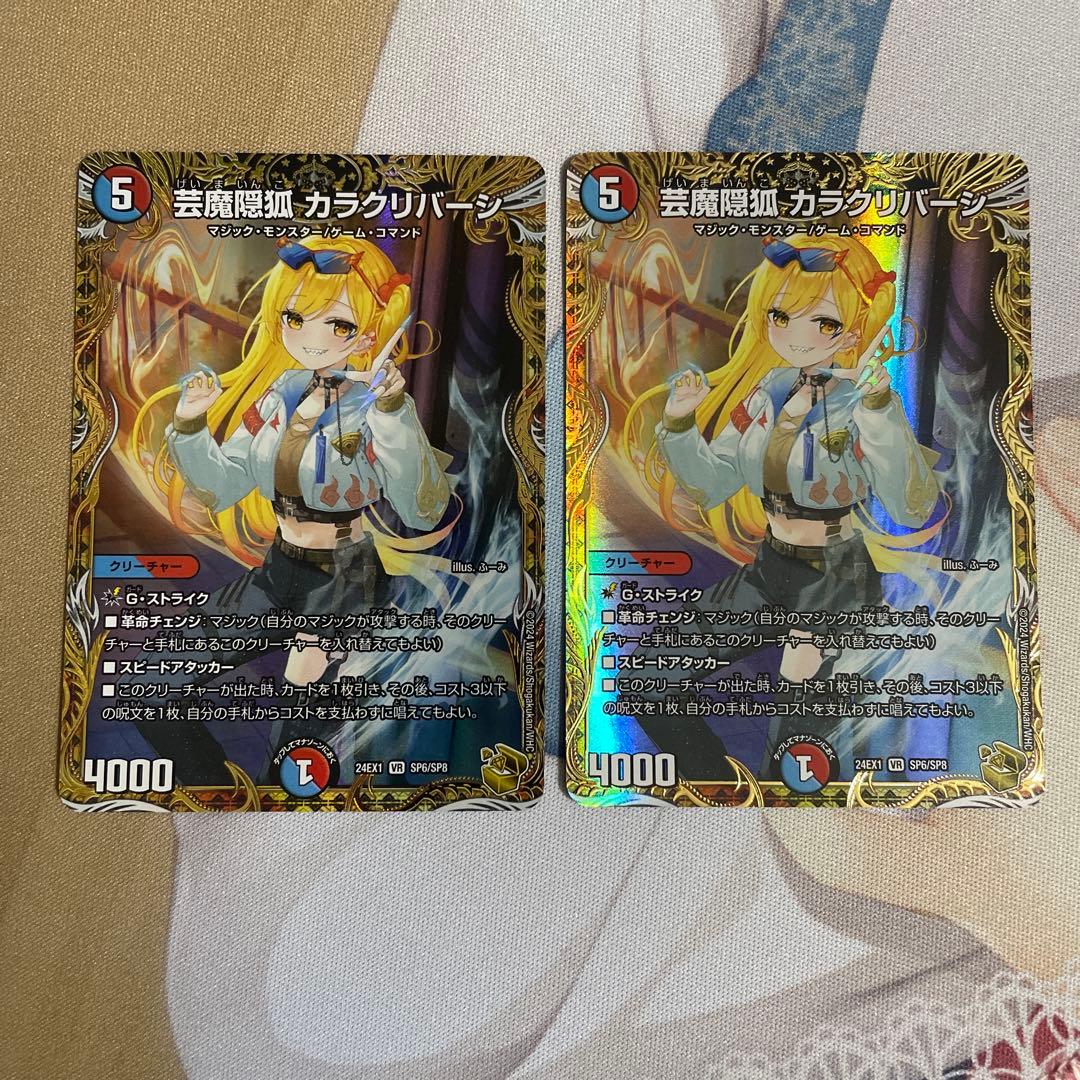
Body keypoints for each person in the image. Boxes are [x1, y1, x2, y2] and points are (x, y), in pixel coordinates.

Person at [627, 235, 943, 777]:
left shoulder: (865, 402)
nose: (795, 336)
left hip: (835, 579)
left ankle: (777, 802)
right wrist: (679, 423)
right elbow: (713, 483)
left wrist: (878, 410)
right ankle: (716, 784)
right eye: (780, 316)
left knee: (796, 743)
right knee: (649, 675)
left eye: (822, 322)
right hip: (771, 566)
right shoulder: (769, 391)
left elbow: (911, 506)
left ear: (854, 329)